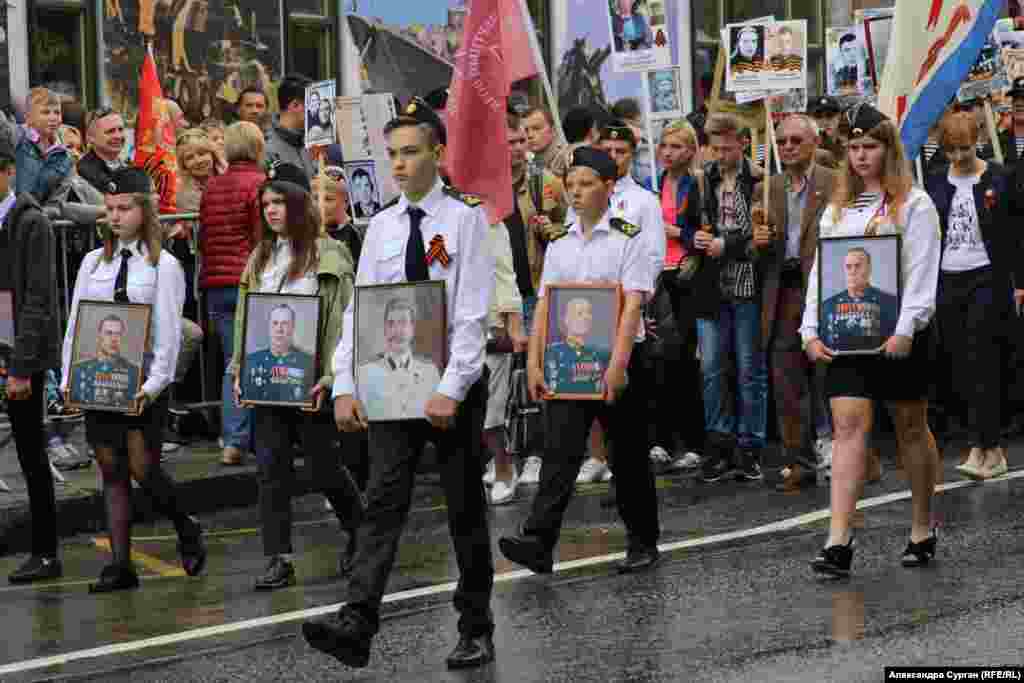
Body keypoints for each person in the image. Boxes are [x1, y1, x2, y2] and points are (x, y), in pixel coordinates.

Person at [302, 98, 494, 671]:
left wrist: (452, 389)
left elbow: (471, 315)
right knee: (383, 501)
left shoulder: (464, 219)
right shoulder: (383, 225)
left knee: (464, 508)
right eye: (392, 154)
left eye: (411, 152)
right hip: (392, 383)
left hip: (450, 386)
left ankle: (476, 626)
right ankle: (357, 621)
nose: (400, 164)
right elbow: (360, 313)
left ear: (438, 153)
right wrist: (344, 384)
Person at [498, 146, 660, 575]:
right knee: (560, 450)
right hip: (569, 359)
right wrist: (535, 363)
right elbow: (546, 306)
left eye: (586, 184)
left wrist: (618, 366)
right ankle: (538, 540)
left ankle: (642, 540)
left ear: (608, 186)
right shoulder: (560, 243)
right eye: (571, 184)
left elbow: (632, 306)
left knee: (627, 455)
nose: (576, 192)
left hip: (620, 357)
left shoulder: (629, 237)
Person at [801, 104, 942, 576]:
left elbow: (921, 271)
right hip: (847, 332)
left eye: (870, 146)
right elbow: (822, 273)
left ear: (889, 149)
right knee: (847, 427)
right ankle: (838, 538)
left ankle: (922, 525)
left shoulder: (914, 204)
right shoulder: (838, 208)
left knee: (910, 427)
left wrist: (907, 328)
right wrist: (810, 328)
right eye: (854, 147)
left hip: (899, 333)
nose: (861, 156)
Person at [60, 168, 206, 592]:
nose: (115, 217)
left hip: (142, 381)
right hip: (100, 379)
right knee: (110, 468)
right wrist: (69, 376)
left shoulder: (164, 266)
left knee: (143, 466)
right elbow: (77, 323)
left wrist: (154, 385)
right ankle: (120, 565)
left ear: (145, 210)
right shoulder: (93, 262)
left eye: (124, 208)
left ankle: (185, 524)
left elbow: (168, 332)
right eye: (109, 209)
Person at [229, 162, 364, 590]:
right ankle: (278, 557)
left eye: (279, 202)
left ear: (300, 204)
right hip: (268, 380)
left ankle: (360, 531)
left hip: (311, 381)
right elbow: (246, 317)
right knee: (270, 468)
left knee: (324, 466)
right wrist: (240, 367)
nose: (270, 210)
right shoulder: (261, 256)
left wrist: (332, 375)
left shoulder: (330, 254)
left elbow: (343, 320)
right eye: (266, 203)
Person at [925, 111, 1020, 480]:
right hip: (948, 278)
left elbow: (1016, 231)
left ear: (977, 141)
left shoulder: (999, 177)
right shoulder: (936, 180)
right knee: (959, 364)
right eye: (951, 150)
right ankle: (979, 444)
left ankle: (990, 447)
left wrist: (1019, 281)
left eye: (965, 148)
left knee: (984, 361)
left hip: (987, 277)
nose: (959, 157)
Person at [752, 114, 838, 492]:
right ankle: (799, 462)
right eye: (782, 140)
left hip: (826, 287)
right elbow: (752, 251)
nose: (787, 147)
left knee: (833, 376)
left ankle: (853, 455)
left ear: (814, 144)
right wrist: (756, 242)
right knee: (786, 379)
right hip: (783, 291)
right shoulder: (766, 188)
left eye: (796, 140)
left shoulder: (836, 183)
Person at [0, 119, 64, 584]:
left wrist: (20, 367)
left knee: (30, 453)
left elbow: (38, 299)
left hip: (18, 352)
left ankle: (46, 551)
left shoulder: (30, 223)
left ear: (7, 172)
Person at [689, 112, 767, 483]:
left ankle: (750, 445)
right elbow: (689, 224)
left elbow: (764, 230)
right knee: (711, 368)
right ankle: (719, 443)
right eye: (715, 148)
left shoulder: (761, 179)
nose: (720, 155)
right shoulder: (703, 178)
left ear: (743, 143)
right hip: (711, 285)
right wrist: (695, 237)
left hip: (748, 282)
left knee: (749, 368)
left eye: (727, 148)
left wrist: (728, 243)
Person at [198, 121, 266, 466]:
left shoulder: (212, 186)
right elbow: (261, 238)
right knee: (255, 360)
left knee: (232, 361)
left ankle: (233, 439)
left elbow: (204, 237)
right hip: (248, 281)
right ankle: (248, 439)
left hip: (216, 284)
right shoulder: (259, 184)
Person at [645, 119, 704, 472]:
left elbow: (702, 231)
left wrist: (673, 231)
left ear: (691, 151)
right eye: (664, 145)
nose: (668, 152)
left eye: (676, 146)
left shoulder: (696, 184)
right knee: (657, 359)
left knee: (685, 360)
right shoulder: (652, 184)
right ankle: (660, 439)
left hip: (685, 274)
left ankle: (694, 442)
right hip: (656, 275)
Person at [482, 214, 527, 505]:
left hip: (489, 325)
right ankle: (491, 462)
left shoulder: (490, 222)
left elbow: (505, 276)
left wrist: (514, 326)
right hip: (449, 325)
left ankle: (504, 469)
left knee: (493, 411)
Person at [355, 297, 443, 421]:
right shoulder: (364, 373)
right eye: (391, 324)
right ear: (385, 329)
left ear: (412, 328)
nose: (397, 331)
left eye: (403, 323)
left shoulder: (430, 372)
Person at [819, 247, 900, 351]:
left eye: (858, 266)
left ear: (869, 269)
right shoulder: (828, 305)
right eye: (848, 267)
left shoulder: (890, 302)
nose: (852, 271)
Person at [243, 304, 315, 404]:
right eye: (275, 323)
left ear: (293, 327)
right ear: (269, 327)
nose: (279, 329)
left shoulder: (308, 362)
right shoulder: (251, 361)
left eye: (285, 324)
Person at [16, 87, 73, 204]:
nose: (53, 118)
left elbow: (58, 200)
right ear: (28, 117)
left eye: (57, 112)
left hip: (41, 212)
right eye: (45, 112)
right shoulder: (16, 138)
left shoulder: (65, 156)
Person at [68, 315, 141, 407]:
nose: (114, 339)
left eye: (118, 334)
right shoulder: (79, 370)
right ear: (99, 336)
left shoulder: (134, 372)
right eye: (108, 333)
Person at [544, 297, 611, 393]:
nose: (586, 317)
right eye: (579, 313)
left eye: (589, 313)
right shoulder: (551, 351)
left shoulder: (603, 352)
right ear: (566, 319)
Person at [265, 74, 315, 180]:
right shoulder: (266, 146)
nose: (317, 110)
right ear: (295, 105)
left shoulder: (310, 142)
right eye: (313, 104)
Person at [312, 167, 361, 265]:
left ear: (345, 203)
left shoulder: (352, 235)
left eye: (328, 199)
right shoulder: (306, 234)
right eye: (316, 198)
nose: (320, 205)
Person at [78, 108, 127, 195]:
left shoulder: (128, 165)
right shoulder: (85, 172)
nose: (118, 136)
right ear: (90, 137)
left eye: (120, 129)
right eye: (110, 131)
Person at [524, 107, 568, 178]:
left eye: (537, 128)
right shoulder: (524, 157)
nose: (530, 135)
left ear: (553, 130)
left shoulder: (567, 158)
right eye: (526, 130)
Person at [809, 95, 845, 167]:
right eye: (818, 116)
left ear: (839, 117)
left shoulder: (849, 147)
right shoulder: (805, 148)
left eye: (829, 116)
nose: (825, 122)